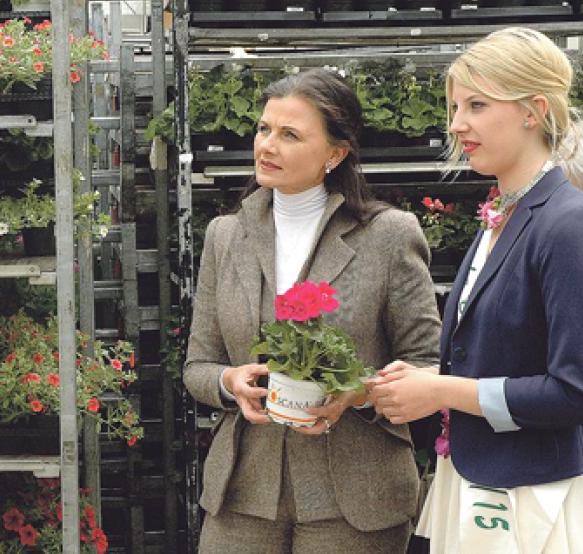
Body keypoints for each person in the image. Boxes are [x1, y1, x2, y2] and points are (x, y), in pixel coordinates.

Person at [183, 68, 441, 553]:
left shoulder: (389, 236)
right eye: (263, 129)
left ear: (335, 153)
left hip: (356, 497)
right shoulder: (225, 235)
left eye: (289, 135)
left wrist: (358, 393)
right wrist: (228, 382)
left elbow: (428, 364)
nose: (267, 145)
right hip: (243, 492)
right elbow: (198, 366)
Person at [368, 27, 583, 553]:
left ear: (533, 110)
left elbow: (576, 391)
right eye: (455, 106)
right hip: (477, 483)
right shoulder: (502, 216)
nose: (456, 124)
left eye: (476, 104)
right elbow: (500, 356)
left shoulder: (569, 223)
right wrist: (418, 380)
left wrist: (441, 391)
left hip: (533, 502)